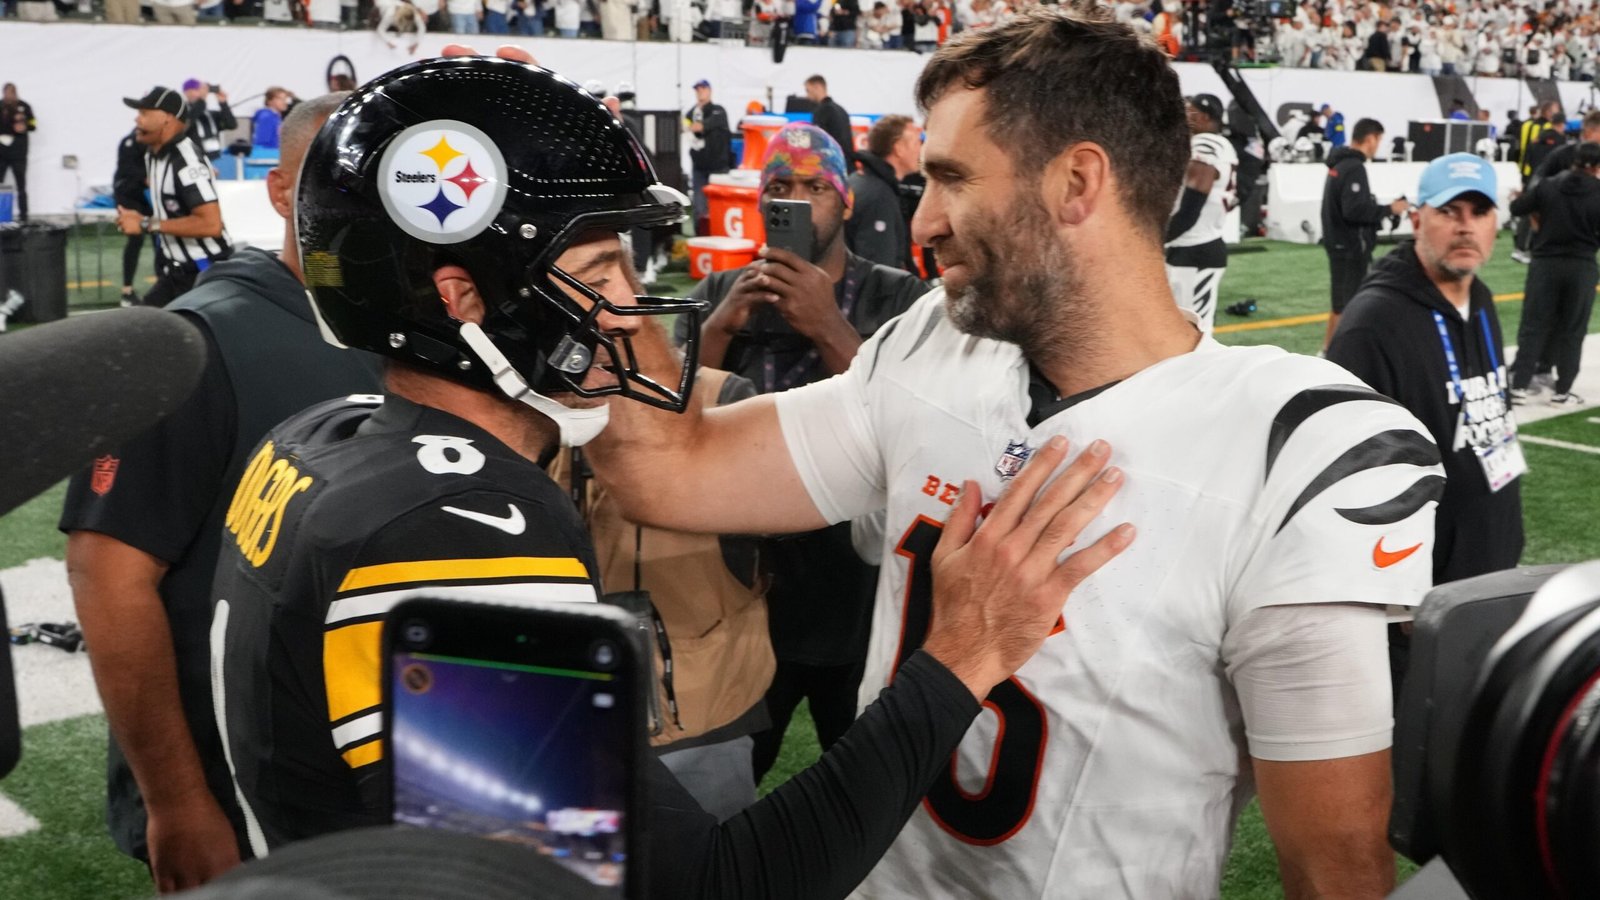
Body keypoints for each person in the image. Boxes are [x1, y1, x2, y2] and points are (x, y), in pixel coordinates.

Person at [210, 56, 1130, 898]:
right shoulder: (457, 528)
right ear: (464, 298)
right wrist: (961, 655)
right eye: (600, 265)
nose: (630, 303)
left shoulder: (321, 439)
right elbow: (709, 888)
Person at [586, 9, 1443, 897]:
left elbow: (1333, 864)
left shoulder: (1296, 448)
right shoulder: (932, 342)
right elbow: (667, 469)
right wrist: (593, 263)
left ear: (1077, 182)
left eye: (952, 179)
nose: (923, 222)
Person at [59, 93, 381, 895]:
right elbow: (107, 577)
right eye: (342, 178)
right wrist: (176, 801)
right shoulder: (187, 343)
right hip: (235, 787)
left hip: (370, 779)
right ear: (280, 191)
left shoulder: (419, 332)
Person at [683, 123, 928, 782]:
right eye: (780, 187)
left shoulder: (899, 298)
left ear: (845, 201)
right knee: (731, 782)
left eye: (815, 187)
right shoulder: (719, 296)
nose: (795, 200)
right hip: (742, 584)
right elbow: (669, 421)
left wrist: (828, 325)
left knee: (865, 782)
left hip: (854, 586)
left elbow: (911, 420)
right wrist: (720, 329)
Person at [1326, 153, 1524, 700]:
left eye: (1479, 212)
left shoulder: (1479, 298)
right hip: (1422, 598)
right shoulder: (1372, 325)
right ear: (1417, 219)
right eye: (1449, 211)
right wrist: (1400, 593)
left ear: (1496, 223)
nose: (1465, 226)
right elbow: (1346, 481)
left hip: (1489, 563)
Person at [117, 87, 234, 308]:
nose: (137, 119)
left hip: (204, 272)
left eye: (144, 113)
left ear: (167, 118)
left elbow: (211, 224)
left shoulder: (186, 162)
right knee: (141, 324)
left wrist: (145, 224)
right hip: (176, 272)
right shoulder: (154, 156)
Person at [1506, 141, 1600, 408]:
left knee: (1533, 325)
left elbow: (1517, 208)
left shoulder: (1548, 185)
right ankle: (1563, 390)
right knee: (1573, 330)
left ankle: (1519, 386)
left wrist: (1538, 219)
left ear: (1574, 160)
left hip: (1545, 264)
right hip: (1582, 266)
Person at [1322, 117, 1409, 350]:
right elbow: (1354, 210)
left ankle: (1328, 351)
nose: (1377, 146)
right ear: (1370, 139)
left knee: (1341, 303)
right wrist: (1390, 209)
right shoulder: (1354, 167)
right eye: (1378, 140)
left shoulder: (1339, 165)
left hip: (1339, 243)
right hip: (1350, 247)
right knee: (1347, 305)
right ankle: (1335, 355)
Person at [1163, 93, 1237, 334]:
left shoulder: (1207, 145)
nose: (1184, 115)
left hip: (1195, 247)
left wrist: (1154, 239)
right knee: (1179, 328)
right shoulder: (1222, 146)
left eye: (1189, 111)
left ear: (1204, 117)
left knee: (1195, 333)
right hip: (1191, 245)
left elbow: (1190, 209)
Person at [847, 114, 920, 271]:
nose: (921, 149)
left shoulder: (860, 181)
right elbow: (878, 272)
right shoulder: (878, 197)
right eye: (916, 142)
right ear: (899, 148)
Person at [112, 127, 157, 307]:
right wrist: (150, 180)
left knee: (159, 239)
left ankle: (164, 282)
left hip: (146, 197)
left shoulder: (156, 142)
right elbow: (130, 170)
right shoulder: (130, 143)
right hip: (128, 195)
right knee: (135, 239)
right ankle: (127, 290)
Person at [687, 78, 731, 236]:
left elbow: (701, 126)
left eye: (703, 89)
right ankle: (701, 236)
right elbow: (687, 127)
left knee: (720, 205)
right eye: (698, 90)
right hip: (700, 167)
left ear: (710, 91)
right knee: (700, 207)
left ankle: (720, 235)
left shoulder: (718, 110)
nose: (700, 92)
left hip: (719, 168)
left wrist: (697, 125)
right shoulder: (691, 113)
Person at [0, 83, 36, 222]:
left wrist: (25, 126)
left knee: (21, 184)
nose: (9, 96)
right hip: (1, 152)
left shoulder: (24, 106)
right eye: (7, 93)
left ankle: (23, 216)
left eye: (12, 93)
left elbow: (33, 124)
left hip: (19, 152)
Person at [182, 79, 239, 164]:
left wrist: (223, 104)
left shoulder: (210, 114)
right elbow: (189, 120)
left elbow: (231, 125)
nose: (201, 92)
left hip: (215, 159)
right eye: (197, 89)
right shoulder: (184, 114)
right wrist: (202, 100)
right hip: (195, 161)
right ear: (187, 92)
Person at [804, 74, 854, 169]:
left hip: (832, 166)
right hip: (848, 165)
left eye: (808, 90)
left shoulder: (821, 111)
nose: (807, 96)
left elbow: (817, 142)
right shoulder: (841, 110)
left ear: (817, 87)